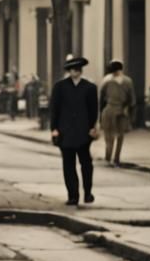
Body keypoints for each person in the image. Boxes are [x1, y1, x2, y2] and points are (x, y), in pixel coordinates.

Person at [51, 54, 99, 206]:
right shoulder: (60, 87)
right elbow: (54, 109)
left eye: (77, 69)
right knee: (68, 165)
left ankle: (88, 192)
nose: (75, 72)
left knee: (86, 163)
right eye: (72, 69)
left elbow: (93, 110)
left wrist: (93, 127)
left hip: (84, 132)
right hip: (65, 132)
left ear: (81, 70)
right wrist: (54, 129)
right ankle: (73, 195)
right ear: (68, 71)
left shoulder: (90, 88)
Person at [100, 59, 136, 167]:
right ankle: (115, 159)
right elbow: (132, 100)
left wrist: (99, 114)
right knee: (119, 136)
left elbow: (101, 99)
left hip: (110, 110)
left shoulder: (106, 80)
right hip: (121, 110)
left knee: (109, 136)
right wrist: (131, 112)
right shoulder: (128, 81)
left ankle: (109, 158)